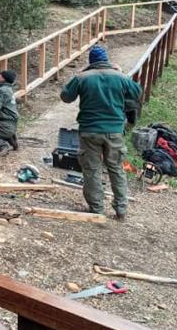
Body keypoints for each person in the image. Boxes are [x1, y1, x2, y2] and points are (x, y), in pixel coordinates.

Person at [59, 45, 142, 220]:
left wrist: (79, 75)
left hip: (89, 131)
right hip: (114, 131)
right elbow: (136, 92)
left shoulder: (82, 77)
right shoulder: (119, 77)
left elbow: (66, 97)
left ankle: (96, 209)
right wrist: (122, 74)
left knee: (92, 169)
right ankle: (121, 209)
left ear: (91, 62)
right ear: (107, 60)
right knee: (116, 168)